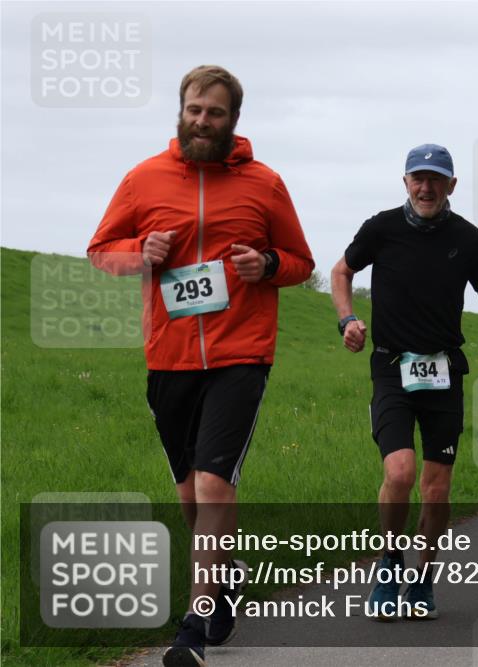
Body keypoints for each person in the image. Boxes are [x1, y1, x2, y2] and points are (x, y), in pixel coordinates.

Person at [88, 65, 315, 666]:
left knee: (215, 484)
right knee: (191, 497)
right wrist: (141, 252)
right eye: (194, 110)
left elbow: (300, 260)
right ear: (181, 111)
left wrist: (266, 265)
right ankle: (227, 570)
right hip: (170, 356)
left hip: (242, 353)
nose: (202, 121)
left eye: (214, 113)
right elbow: (100, 252)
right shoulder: (143, 179)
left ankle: (194, 623)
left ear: (233, 120)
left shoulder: (264, 184)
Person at [331, 144, 478, 621]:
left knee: (436, 489)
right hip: (391, 365)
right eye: (417, 178)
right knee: (400, 472)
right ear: (405, 182)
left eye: (436, 179)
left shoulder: (468, 239)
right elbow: (341, 270)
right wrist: (346, 319)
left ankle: (423, 577)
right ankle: (389, 565)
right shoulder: (381, 228)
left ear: (452, 186)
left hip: (445, 371)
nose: (425, 187)